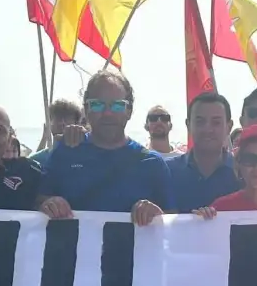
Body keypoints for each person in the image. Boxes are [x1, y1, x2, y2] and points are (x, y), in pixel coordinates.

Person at [39, 71, 171, 226]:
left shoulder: (152, 164)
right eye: (97, 104)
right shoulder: (64, 153)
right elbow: (38, 203)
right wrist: (48, 204)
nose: (107, 113)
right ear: (86, 110)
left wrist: (156, 215)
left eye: (117, 105)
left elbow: (174, 223)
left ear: (129, 111)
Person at [166, 92, 239, 213]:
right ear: (188, 125)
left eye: (216, 122)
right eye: (200, 122)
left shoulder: (242, 174)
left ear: (229, 126)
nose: (208, 129)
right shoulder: (167, 172)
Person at [31, 98, 83, 168]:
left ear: (77, 124)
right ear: (49, 123)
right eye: (58, 118)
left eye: (67, 119)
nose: (62, 123)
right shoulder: (36, 160)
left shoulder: (86, 157)